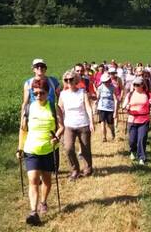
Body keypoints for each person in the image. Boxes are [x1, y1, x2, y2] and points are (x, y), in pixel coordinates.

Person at [17, 78, 64, 226]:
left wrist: (57, 137)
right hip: (31, 149)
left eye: (41, 93)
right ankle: (33, 212)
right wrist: (20, 147)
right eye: (35, 93)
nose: (38, 96)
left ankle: (43, 202)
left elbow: (62, 126)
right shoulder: (29, 108)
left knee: (47, 181)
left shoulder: (53, 107)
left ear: (47, 92)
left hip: (49, 149)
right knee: (33, 180)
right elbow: (23, 130)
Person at [59, 70, 94, 181]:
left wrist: (91, 122)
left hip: (83, 124)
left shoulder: (82, 92)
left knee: (85, 149)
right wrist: (59, 124)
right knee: (68, 148)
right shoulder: (63, 94)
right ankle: (75, 170)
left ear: (76, 80)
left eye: (71, 79)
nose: (68, 81)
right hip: (69, 125)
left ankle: (88, 169)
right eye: (66, 80)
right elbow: (59, 109)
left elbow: (88, 107)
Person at [20, 59, 61, 126]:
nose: (40, 68)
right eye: (37, 66)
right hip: (35, 116)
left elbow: (60, 98)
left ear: (45, 68)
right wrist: (22, 119)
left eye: (42, 66)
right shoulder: (28, 83)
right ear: (33, 69)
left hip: (51, 115)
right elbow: (25, 103)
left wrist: (61, 115)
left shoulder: (53, 81)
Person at [124, 77, 151, 165]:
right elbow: (124, 106)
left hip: (144, 120)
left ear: (142, 85)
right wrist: (127, 106)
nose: (136, 86)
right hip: (132, 120)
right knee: (132, 140)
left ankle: (141, 157)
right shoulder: (130, 94)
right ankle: (133, 151)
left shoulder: (147, 94)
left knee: (142, 139)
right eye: (134, 85)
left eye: (137, 85)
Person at [95, 72, 117, 142]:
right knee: (102, 122)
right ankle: (104, 137)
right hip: (101, 107)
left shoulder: (112, 88)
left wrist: (115, 111)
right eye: (104, 82)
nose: (106, 83)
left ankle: (112, 133)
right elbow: (98, 97)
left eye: (107, 81)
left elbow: (115, 99)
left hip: (110, 108)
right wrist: (96, 103)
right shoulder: (100, 88)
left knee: (110, 124)